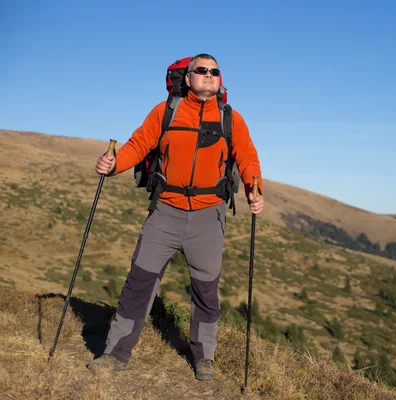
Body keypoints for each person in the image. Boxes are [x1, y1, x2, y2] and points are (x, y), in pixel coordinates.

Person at [87, 53, 264, 381]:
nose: (209, 75)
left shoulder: (231, 119)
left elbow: (247, 156)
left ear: (220, 80)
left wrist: (255, 188)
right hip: (165, 211)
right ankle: (115, 353)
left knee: (206, 290)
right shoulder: (165, 111)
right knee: (139, 283)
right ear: (187, 78)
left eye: (215, 71)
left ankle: (204, 358)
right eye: (201, 70)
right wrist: (113, 165)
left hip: (208, 216)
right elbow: (138, 145)